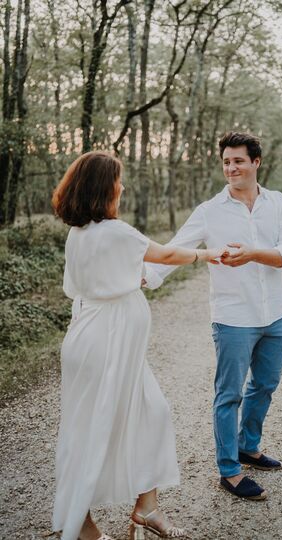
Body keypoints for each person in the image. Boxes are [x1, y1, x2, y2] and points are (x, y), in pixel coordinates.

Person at [51, 151, 227, 540]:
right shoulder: (115, 231)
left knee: (150, 413)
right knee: (95, 428)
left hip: (96, 338)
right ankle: (82, 523)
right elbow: (163, 253)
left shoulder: (79, 233)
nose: (122, 186)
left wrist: (134, 279)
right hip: (106, 343)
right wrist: (207, 253)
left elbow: (105, 277)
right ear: (103, 188)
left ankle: (144, 509)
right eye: (118, 179)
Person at [144, 132, 282, 501]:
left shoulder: (278, 203)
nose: (231, 168)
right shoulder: (209, 210)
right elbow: (176, 249)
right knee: (228, 394)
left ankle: (249, 446)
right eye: (226, 162)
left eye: (238, 161)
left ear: (256, 162)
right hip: (232, 317)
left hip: (276, 313)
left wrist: (253, 254)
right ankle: (229, 470)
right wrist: (146, 277)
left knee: (264, 386)